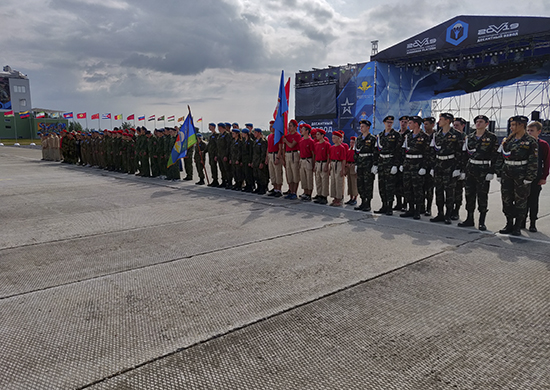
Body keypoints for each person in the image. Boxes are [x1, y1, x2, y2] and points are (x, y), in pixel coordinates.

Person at [496, 115, 538, 236]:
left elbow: (533, 160)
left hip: (521, 174)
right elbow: (500, 156)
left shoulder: (530, 141)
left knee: (521, 201)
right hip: (507, 172)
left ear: (522, 125)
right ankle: (509, 223)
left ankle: (518, 226)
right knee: (506, 199)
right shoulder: (507, 140)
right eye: (511, 124)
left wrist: (529, 177)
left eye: (514, 125)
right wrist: (499, 172)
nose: (512, 127)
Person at [457, 115, 499, 231]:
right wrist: (463, 170)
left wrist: (492, 171)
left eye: (481, 122)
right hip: (471, 168)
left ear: (487, 124)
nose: (478, 124)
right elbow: (464, 155)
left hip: (483, 169)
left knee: (482, 196)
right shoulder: (469, 137)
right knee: (469, 195)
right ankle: (469, 218)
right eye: (477, 122)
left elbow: (495, 156)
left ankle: (482, 221)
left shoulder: (492, 137)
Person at [429, 113, 463, 225]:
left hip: (450, 165)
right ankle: (440, 213)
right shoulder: (436, 135)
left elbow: (460, 153)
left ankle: (448, 215)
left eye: (441, 119)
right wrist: (433, 167)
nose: (439, 121)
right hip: (439, 165)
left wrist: (458, 168)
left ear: (448, 121)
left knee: (449, 192)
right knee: (438, 191)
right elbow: (432, 152)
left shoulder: (457, 135)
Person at [400, 116, 430, 219]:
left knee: (417, 189)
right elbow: (403, 151)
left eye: (410, 123)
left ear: (416, 124)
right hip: (408, 164)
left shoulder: (424, 137)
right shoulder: (408, 136)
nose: (408, 125)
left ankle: (418, 210)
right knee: (407, 188)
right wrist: (402, 164)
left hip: (418, 165)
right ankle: (410, 209)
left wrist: (424, 167)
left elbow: (428, 154)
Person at [524, 121, 550, 232]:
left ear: (539, 132)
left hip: (536, 176)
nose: (529, 133)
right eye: (528, 130)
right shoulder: (523, 143)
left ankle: (533, 223)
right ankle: (521, 221)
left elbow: (547, 161)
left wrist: (544, 176)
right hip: (523, 176)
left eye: (532, 131)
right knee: (522, 200)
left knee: (533, 200)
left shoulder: (543, 144)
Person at [373, 115, 401, 215]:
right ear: (384, 123)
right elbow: (376, 151)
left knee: (390, 186)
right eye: (387, 122)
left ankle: (389, 206)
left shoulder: (396, 135)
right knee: (381, 186)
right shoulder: (380, 136)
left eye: (391, 123)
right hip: (381, 163)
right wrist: (375, 164)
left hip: (390, 162)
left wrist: (395, 165)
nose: (389, 124)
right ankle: (384, 205)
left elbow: (398, 151)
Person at [354, 120, 377, 211]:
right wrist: (356, 163)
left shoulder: (372, 138)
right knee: (360, 184)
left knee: (368, 184)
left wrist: (375, 164)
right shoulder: (358, 139)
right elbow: (356, 152)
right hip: (360, 164)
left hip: (368, 164)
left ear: (368, 127)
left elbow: (375, 152)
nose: (361, 128)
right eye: (360, 126)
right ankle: (363, 201)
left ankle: (368, 203)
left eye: (363, 126)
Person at [451, 117, 468, 220]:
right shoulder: (452, 137)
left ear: (463, 126)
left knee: (458, 191)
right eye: (454, 125)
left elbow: (466, 156)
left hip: (461, 168)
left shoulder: (466, 138)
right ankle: (449, 210)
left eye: (457, 125)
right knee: (449, 191)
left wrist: (463, 171)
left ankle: (456, 210)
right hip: (451, 167)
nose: (455, 127)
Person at [282, 119, 302, 199]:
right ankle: (290, 190)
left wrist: (286, 141)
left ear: (295, 127)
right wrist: (283, 158)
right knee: (289, 174)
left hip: (294, 154)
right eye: (288, 126)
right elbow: (285, 148)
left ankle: (294, 192)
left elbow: (291, 145)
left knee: (295, 174)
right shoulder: (287, 136)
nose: (289, 128)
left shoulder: (297, 135)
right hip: (288, 155)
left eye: (290, 126)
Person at [394, 115, 410, 210]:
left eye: (405, 122)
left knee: (405, 184)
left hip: (405, 163)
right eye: (402, 122)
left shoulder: (409, 134)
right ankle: (398, 203)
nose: (403, 123)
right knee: (397, 184)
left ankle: (405, 204)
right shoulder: (396, 134)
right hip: (396, 161)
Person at [422, 117, 436, 215]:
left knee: (430, 188)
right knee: (421, 187)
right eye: (424, 124)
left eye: (427, 124)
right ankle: (421, 206)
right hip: (422, 165)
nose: (425, 126)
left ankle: (429, 208)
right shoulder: (421, 136)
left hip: (431, 165)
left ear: (432, 125)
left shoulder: (436, 136)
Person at [328, 131, 347, 206]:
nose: (333, 139)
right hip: (333, 164)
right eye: (332, 138)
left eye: (334, 138)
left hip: (338, 164)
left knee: (339, 181)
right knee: (333, 181)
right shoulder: (332, 148)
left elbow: (343, 159)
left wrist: (343, 169)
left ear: (339, 139)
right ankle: (335, 197)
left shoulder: (342, 148)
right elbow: (330, 158)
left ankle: (339, 198)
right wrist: (329, 167)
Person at [298, 123, 315, 201]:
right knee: (303, 177)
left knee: (309, 177)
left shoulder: (310, 141)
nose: (301, 130)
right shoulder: (301, 140)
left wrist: (313, 164)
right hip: (302, 160)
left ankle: (309, 194)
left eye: (303, 129)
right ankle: (305, 192)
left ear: (307, 131)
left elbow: (312, 153)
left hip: (308, 160)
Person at [313, 128, 330, 204]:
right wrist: (314, 165)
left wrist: (327, 165)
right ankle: (319, 195)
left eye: (318, 134)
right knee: (318, 180)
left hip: (323, 163)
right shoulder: (316, 144)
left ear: (322, 135)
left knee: (324, 180)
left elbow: (328, 155)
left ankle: (324, 196)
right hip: (318, 163)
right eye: (316, 134)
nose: (316, 136)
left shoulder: (327, 144)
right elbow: (315, 155)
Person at [267, 121, 283, 197]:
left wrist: (278, 157)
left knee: (277, 173)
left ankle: (279, 190)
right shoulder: (269, 136)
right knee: (272, 173)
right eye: (270, 126)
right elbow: (268, 148)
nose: (270, 128)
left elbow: (280, 148)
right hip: (270, 155)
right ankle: (274, 188)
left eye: (272, 126)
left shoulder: (278, 136)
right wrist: (266, 158)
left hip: (275, 154)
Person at [252, 128, 268, 194]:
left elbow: (263, 152)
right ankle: (258, 187)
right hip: (255, 160)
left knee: (262, 175)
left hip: (260, 161)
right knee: (256, 175)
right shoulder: (255, 141)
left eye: (255, 132)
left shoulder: (263, 141)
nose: (254, 134)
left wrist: (262, 162)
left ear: (259, 133)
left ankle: (263, 188)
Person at [345, 136, 358, 206]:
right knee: (349, 183)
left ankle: (355, 198)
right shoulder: (349, 150)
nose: (351, 144)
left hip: (353, 166)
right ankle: (351, 197)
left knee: (354, 184)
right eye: (350, 142)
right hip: (348, 167)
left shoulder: (356, 151)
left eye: (353, 142)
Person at [206, 123, 219, 187]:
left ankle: (216, 180)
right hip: (210, 154)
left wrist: (216, 155)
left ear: (214, 127)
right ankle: (214, 179)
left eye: (210, 126)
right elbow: (209, 145)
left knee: (214, 167)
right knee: (212, 167)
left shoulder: (216, 135)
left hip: (214, 154)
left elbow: (217, 146)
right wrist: (204, 151)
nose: (209, 128)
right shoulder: (211, 136)